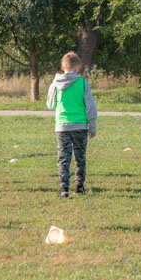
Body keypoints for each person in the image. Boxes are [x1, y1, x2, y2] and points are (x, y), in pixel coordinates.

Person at [45, 51, 97, 197]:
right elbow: (90, 106)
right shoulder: (82, 83)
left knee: (63, 158)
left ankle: (64, 189)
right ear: (77, 68)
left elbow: (50, 104)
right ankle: (79, 187)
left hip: (62, 125)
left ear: (62, 67)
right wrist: (92, 126)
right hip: (80, 125)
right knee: (79, 157)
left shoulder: (55, 83)